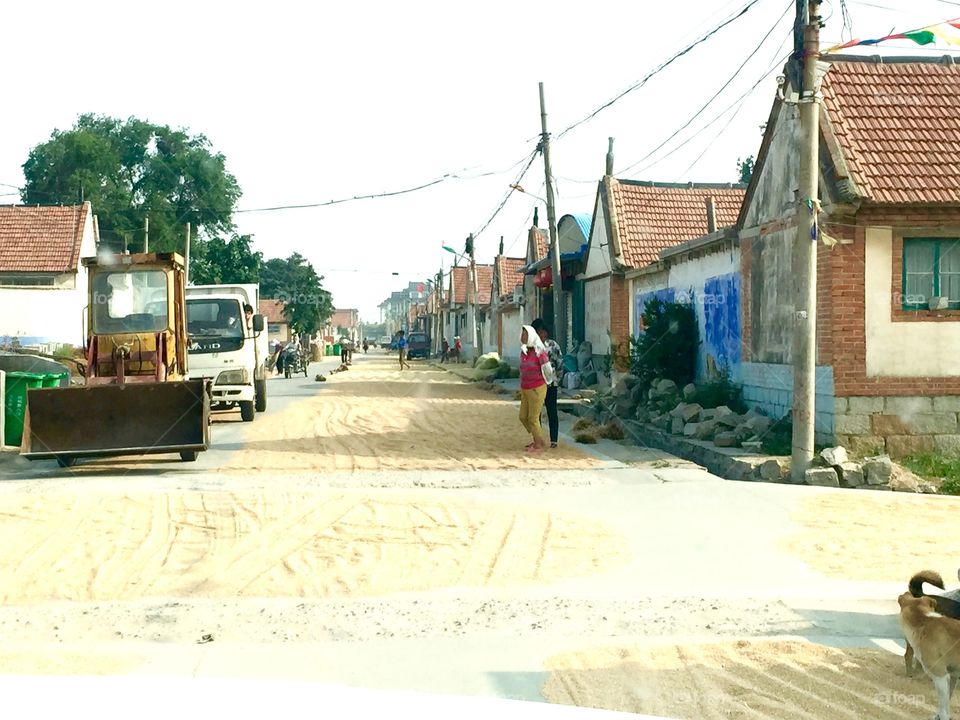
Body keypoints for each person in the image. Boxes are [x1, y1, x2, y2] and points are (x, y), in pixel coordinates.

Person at [518, 325, 555, 454]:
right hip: (525, 388)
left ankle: (538, 444)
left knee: (533, 418)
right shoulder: (523, 351)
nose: (523, 337)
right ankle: (537, 438)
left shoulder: (540, 352)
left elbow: (548, 369)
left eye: (525, 335)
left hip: (537, 388)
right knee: (523, 417)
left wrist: (548, 382)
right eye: (522, 334)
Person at [532, 318, 564, 448]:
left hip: (551, 384)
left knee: (552, 411)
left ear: (544, 332)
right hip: (536, 384)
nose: (538, 334)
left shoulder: (553, 345)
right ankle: (538, 439)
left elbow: (559, 364)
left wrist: (558, 380)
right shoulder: (531, 347)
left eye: (540, 331)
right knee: (536, 413)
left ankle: (554, 441)